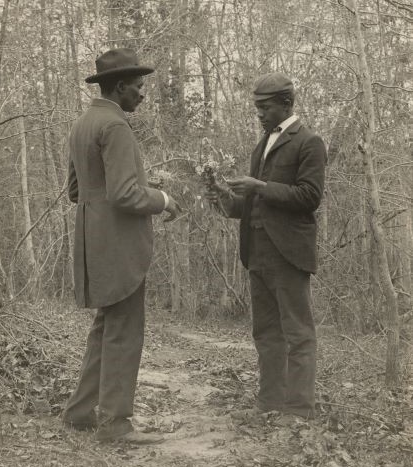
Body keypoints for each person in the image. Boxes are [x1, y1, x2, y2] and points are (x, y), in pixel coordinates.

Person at [62, 48, 180, 444]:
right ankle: (115, 425)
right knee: (124, 332)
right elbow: (127, 194)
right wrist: (163, 199)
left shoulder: (82, 124)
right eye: (138, 87)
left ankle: (80, 412)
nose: (143, 94)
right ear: (119, 87)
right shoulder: (115, 126)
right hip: (118, 246)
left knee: (105, 327)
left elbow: (76, 191)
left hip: (92, 241)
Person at [206, 72, 327, 424]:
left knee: (298, 333)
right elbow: (249, 206)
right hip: (256, 251)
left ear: (286, 104)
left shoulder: (309, 141)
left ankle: (299, 409)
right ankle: (270, 402)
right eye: (256, 107)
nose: (258, 114)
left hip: (288, 253)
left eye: (264, 107)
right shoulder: (263, 143)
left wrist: (258, 185)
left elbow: (310, 197)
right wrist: (223, 199)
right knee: (266, 332)